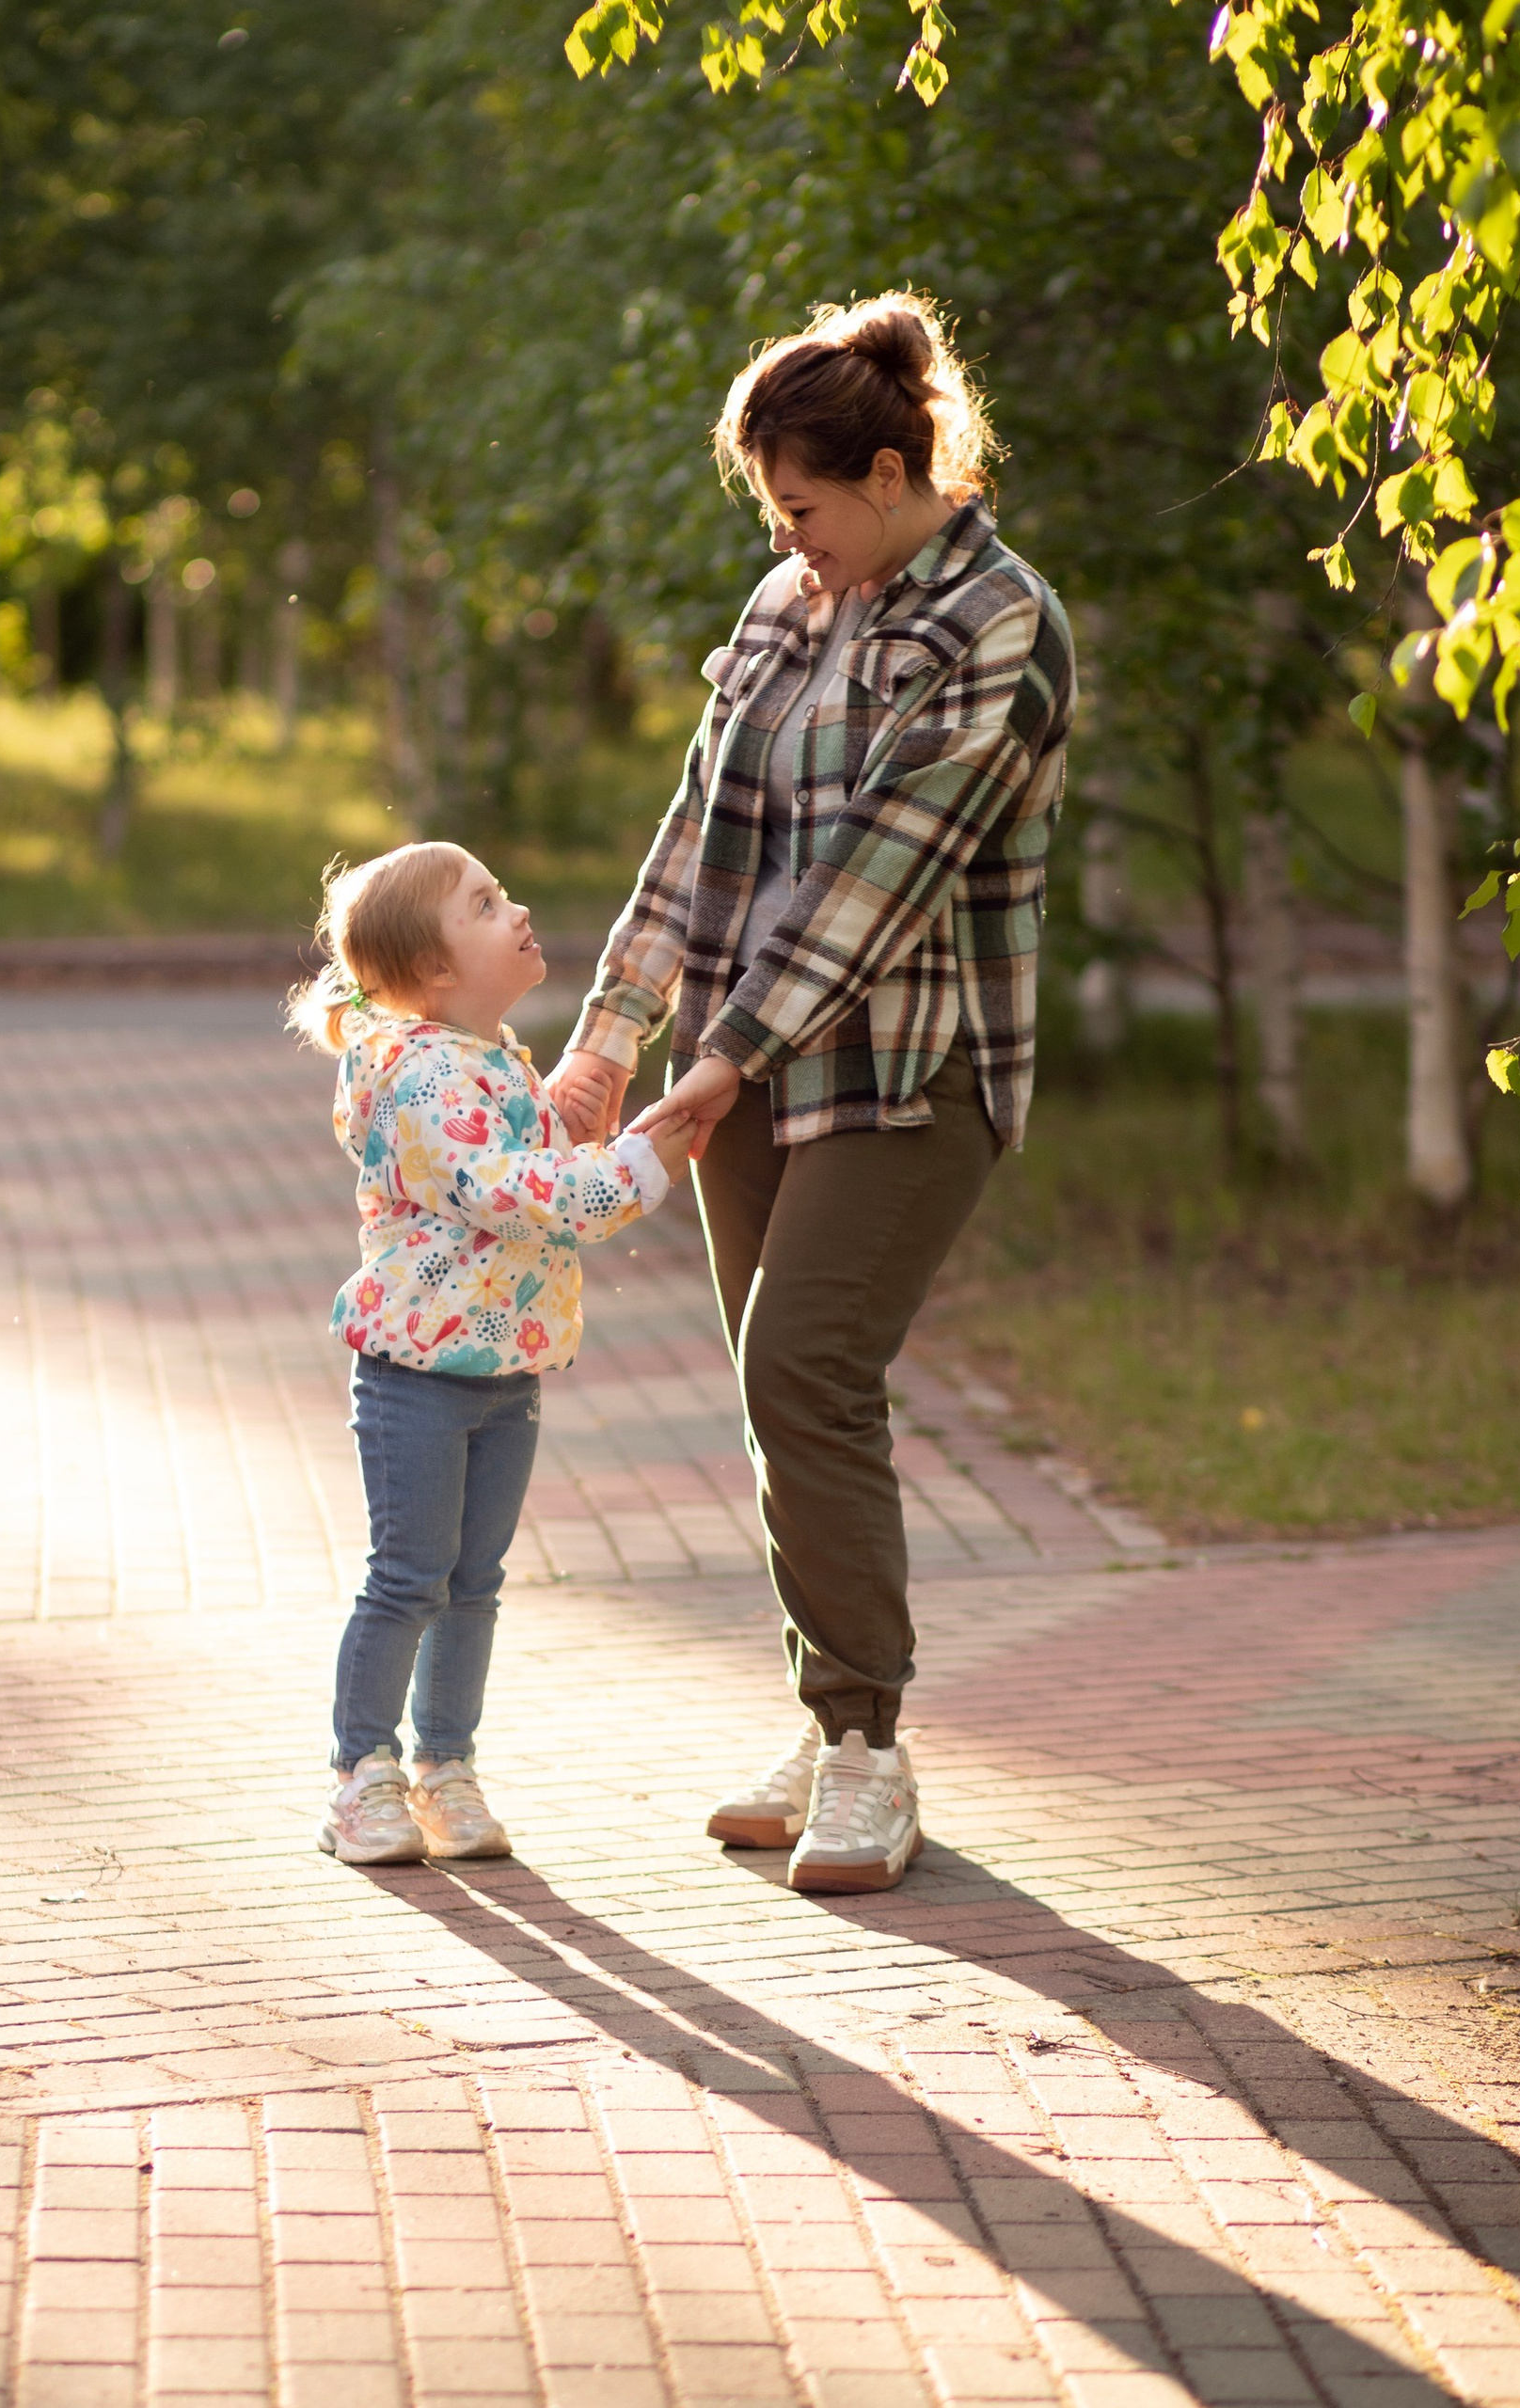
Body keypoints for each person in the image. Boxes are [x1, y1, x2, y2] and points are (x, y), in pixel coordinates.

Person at [547, 292, 1074, 1896]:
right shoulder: (790, 607)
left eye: (808, 509)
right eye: (777, 517)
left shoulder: (1001, 626)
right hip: (749, 1066)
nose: (794, 543)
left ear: (898, 471)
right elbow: (699, 829)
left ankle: (868, 1752)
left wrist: (718, 1060)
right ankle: (829, 1718)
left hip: (913, 1067)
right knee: (785, 1398)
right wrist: (611, 1033)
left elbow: (876, 881)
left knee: (805, 1364)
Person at [293, 841, 694, 1865]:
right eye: (483, 903)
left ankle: (445, 1766)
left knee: (473, 1580)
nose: (515, 909)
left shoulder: (493, 1056)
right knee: (409, 1578)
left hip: (502, 1371)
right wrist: (635, 1170)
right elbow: (509, 1191)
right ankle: (361, 1775)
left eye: (503, 892)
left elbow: (534, 1157)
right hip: (417, 1382)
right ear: (432, 971)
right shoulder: (416, 1075)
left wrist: (599, 1133)